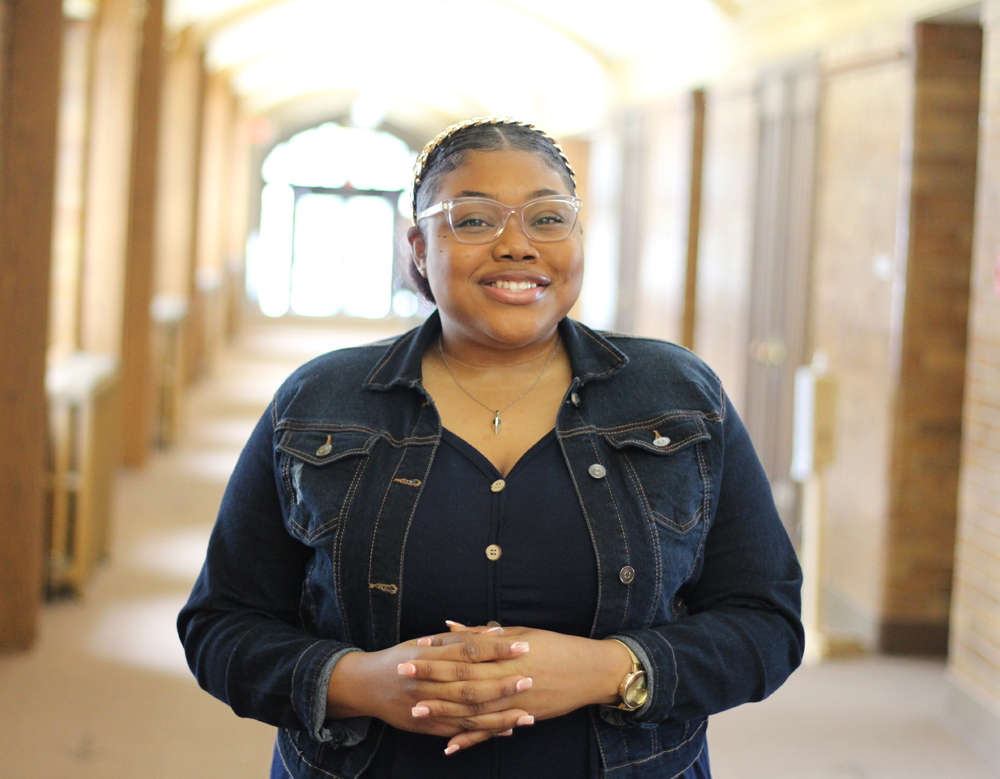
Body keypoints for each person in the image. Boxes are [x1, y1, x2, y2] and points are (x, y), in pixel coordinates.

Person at [178, 116, 804, 779]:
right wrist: (360, 682)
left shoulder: (676, 395)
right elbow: (222, 624)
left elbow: (766, 621)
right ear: (419, 246)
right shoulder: (319, 400)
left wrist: (609, 669)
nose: (517, 246)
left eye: (547, 218)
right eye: (474, 221)